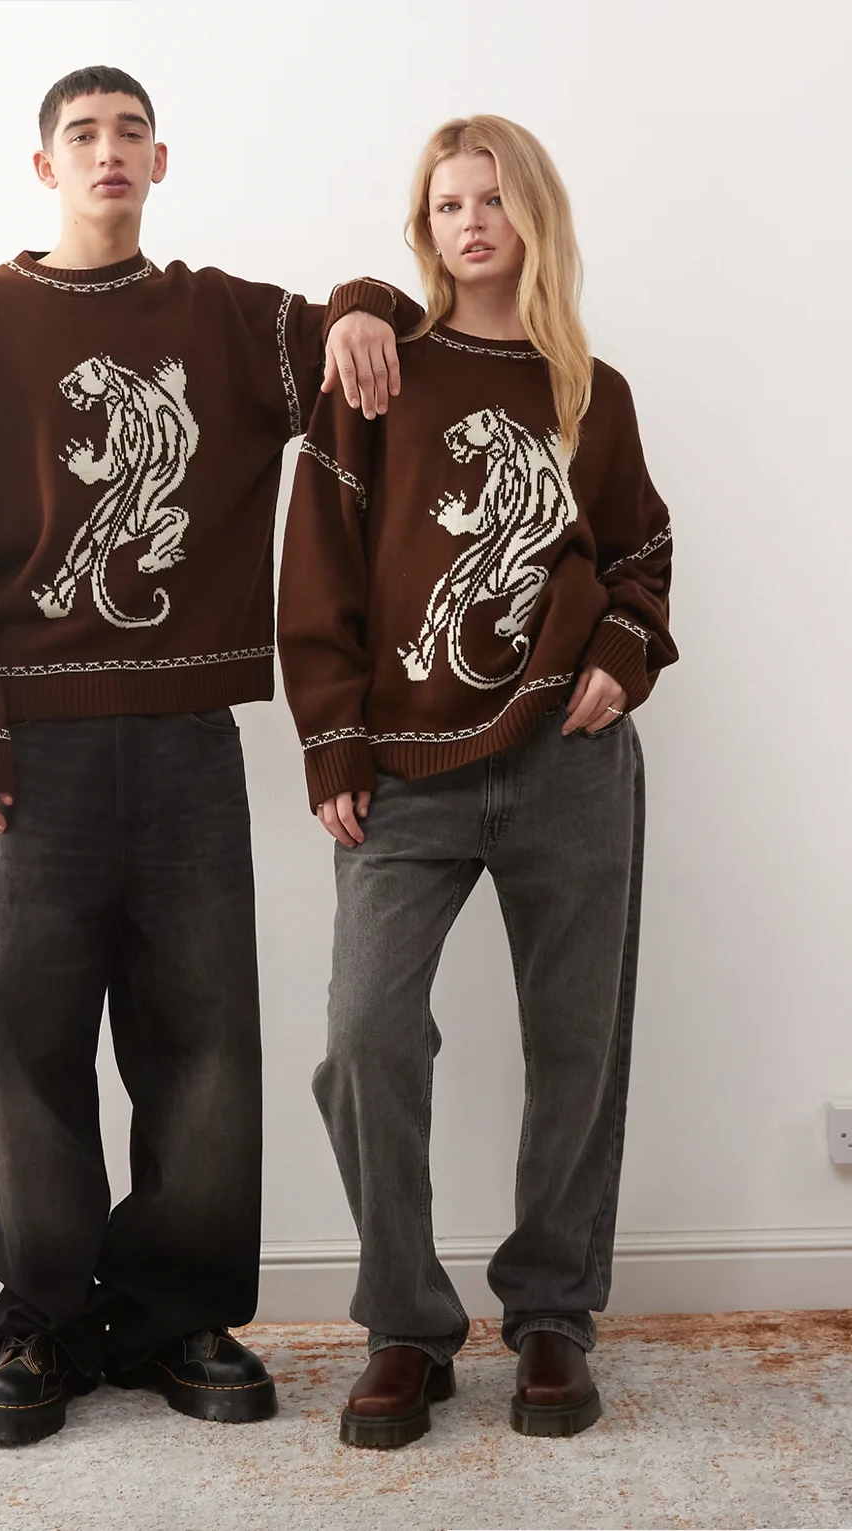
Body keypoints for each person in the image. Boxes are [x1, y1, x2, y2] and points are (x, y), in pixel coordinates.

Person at [0, 64, 411, 1447]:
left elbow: (371, 338)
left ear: (162, 159)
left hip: (189, 737)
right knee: (23, 1036)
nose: (108, 150)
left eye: (130, 130)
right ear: (46, 167)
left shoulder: (225, 319)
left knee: (202, 1036)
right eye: (82, 134)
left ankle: (181, 1315)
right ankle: (42, 1319)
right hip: (31, 743)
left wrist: (366, 300)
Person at [277, 114, 677, 1446]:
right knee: (365, 1035)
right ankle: (405, 1325)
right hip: (405, 771)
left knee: (577, 1040)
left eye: (493, 200)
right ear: (425, 226)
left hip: (570, 761)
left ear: (534, 217)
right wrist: (332, 741)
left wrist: (624, 649)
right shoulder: (377, 370)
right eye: (448, 204)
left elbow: (640, 552)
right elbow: (319, 566)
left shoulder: (591, 393)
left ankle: (554, 1311)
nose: (470, 223)